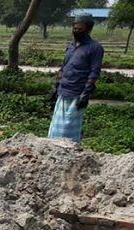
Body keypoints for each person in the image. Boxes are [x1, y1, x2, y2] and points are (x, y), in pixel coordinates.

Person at [48, 14, 104, 143]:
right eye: (75, 28)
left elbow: (94, 72)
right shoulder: (70, 46)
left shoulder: (95, 48)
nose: (76, 30)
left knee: (68, 131)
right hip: (63, 91)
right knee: (55, 129)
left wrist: (86, 93)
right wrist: (56, 86)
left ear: (88, 29)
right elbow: (64, 67)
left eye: (80, 28)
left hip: (76, 94)